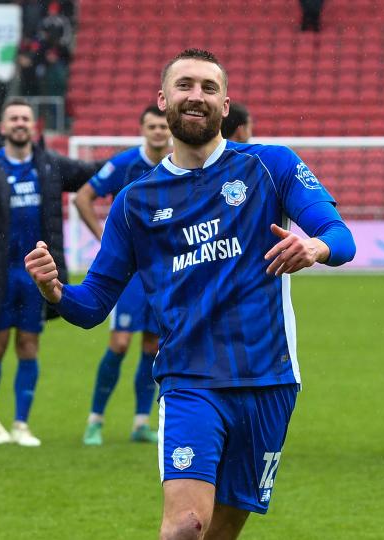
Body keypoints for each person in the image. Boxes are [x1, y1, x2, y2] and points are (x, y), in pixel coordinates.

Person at [25, 48, 355, 538]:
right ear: (163, 100)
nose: (195, 96)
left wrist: (316, 247)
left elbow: (340, 237)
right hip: (189, 382)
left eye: (208, 87)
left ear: (225, 105)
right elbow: (93, 304)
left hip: (269, 380)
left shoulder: (271, 166)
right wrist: (54, 291)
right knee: (185, 526)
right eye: (184, 86)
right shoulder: (136, 201)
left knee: (219, 533)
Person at [0, 98, 101, 447]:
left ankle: (21, 423)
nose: (20, 124)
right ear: (3, 127)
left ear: (33, 126)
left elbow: (91, 172)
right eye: (14, 119)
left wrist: (134, 162)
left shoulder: (47, 166)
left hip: (34, 276)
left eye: (25, 118)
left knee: (29, 344)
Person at [74, 105, 172, 446]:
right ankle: (95, 420)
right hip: (130, 272)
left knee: (152, 345)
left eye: (163, 126)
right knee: (119, 342)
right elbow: (82, 197)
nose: (158, 131)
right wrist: (106, 240)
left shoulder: (180, 164)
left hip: (163, 271)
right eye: (152, 126)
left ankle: (141, 422)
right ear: (143, 129)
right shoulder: (125, 164)